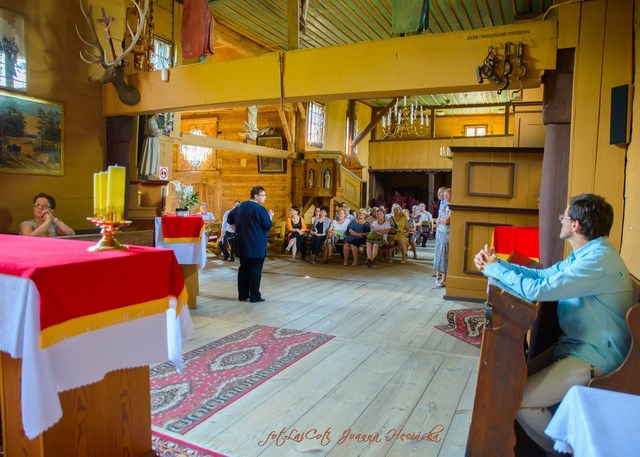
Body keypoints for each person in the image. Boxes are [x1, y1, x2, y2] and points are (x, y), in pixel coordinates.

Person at [473, 193, 633, 454]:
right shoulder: (588, 253)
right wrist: (497, 264)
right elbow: (544, 275)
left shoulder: (598, 261)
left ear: (576, 225)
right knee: (511, 382)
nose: (561, 221)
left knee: (522, 400)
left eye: (563, 217)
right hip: (574, 347)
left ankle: (564, 450)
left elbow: (538, 289)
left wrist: (495, 270)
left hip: (595, 358)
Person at [227, 186, 274, 303]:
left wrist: (238, 230)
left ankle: (243, 295)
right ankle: (255, 296)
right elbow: (267, 225)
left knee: (243, 269)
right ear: (256, 196)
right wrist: (270, 217)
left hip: (242, 243)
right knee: (255, 270)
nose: (265, 197)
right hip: (257, 244)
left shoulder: (241, 206)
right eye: (263, 195)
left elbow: (230, 218)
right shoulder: (261, 209)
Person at [433, 188, 451, 287]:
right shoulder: (444, 205)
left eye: (447, 195)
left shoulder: (452, 206)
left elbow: (446, 221)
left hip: (446, 232)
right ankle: (438, 275)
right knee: (438, 252)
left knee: (444, 253)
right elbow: (439, 219)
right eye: (445, 195)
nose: (445, 197)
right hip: (440, 231)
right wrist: (440, 220)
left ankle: (444, 278)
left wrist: (441, 220)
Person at [138, 113, 162, 179]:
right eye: (157, 114)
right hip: (151, 140)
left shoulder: (151, 121)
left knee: (151, 155)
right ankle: (147, 171)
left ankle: (149, 171)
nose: (157, 115)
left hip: (152, 140)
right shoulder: (151, 120)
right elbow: (153, 131)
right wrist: (162, 130)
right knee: (150, 154)